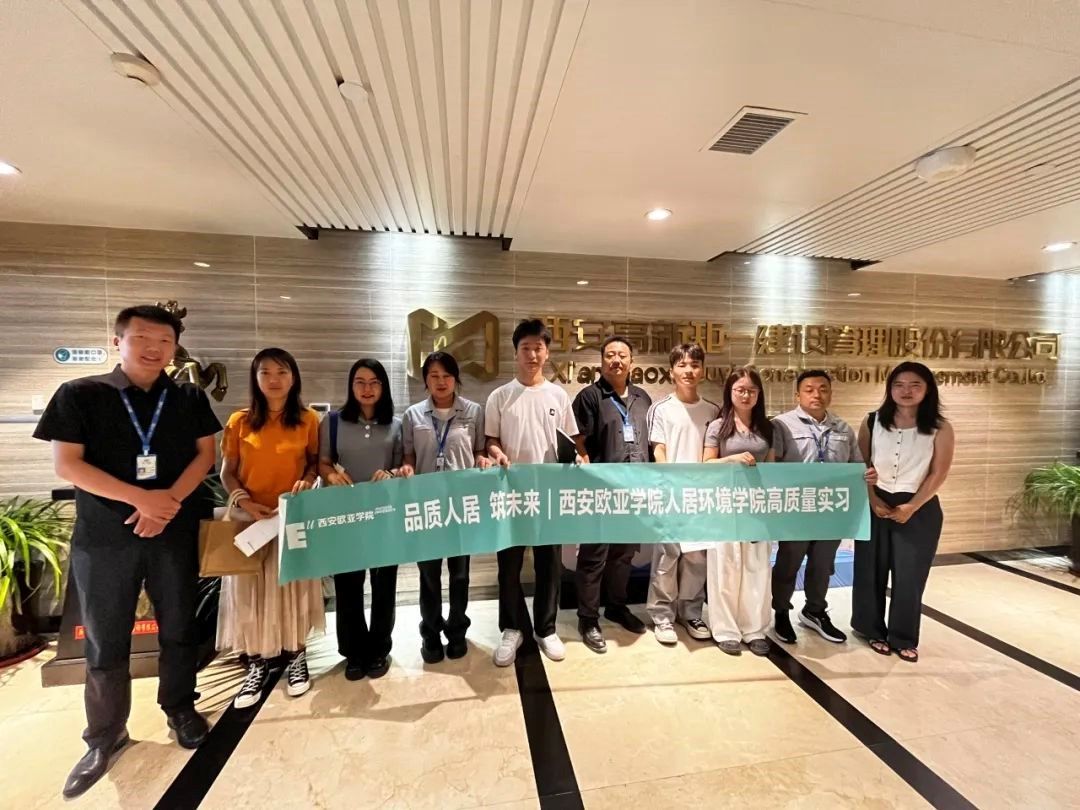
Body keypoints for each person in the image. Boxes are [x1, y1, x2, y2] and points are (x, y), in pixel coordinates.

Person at [34, 305, 220, 798]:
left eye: (164, 341)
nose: (154, 348)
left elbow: (206, 454)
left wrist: (168, 502)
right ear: (118, 341)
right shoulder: (80, 394)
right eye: (142, 338)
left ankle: (180, 708)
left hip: (173, 533)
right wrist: (142, 499)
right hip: (105, 540)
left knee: (179, 627)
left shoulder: (187, 397)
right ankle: (104, 735)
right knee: (105, 639)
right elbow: (68, 465)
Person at [219, 348, 324, 708]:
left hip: (290, 517)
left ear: (294, 377)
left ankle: (296, 656)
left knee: (294, 589)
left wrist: (307, 480)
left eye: (282, 372)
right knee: (251, 593)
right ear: (256, 379)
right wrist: (244, 502)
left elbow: (315, 463)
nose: (274, 380)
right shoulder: (240, 421)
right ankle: (257, 663)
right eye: (266, 373)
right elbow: (227, 471)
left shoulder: (308, 420)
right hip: (251, 520)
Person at [486, 319, 581, 666]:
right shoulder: (500, 396)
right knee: (508, 566)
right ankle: (511, 628)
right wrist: (496, 453)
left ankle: (546, 628)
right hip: (510, 494)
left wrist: (576, 457)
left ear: (547, 352)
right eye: (525, 348)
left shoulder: (558, 395)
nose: (532, 354)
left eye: (538, 348)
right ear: (515, 352)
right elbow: (491, 440)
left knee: (549, 565)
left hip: (549, 495)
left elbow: (571, 441)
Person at [317, 359, 413, 681]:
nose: (367, 388)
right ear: (351, 386)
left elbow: (403, 466)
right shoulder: (332, 422)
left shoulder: (396, 425)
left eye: (374, 382)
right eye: (360, 382)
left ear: (383, 387)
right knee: (348, 584)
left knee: (384, 584)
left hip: (384, 515)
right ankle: (353, 651)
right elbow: (323, 462)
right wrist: (330, 476)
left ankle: (379, 648)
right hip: (346, 515)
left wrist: (391, 473)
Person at [852, 362, 954, 663]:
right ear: (890, 389)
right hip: (875, 503)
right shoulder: (872, 421)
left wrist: (913, 505)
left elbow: (939, 472)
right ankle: (870, 629)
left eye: (915, 385)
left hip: (919, 508)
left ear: (928, 389)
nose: (906, 391)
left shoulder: (940, 426)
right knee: (870, 569)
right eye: (899, 384)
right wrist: (872, 499)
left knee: (910, 575)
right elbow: (861, 465)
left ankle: (903, 636)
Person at [401, 352, 492, 664]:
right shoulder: (413, 415)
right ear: (425, 380)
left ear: (456, 379)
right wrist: (407, 468)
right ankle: (430, 633)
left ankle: (457, 631)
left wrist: (482, 460)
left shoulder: (473, 411)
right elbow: (409, 456)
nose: (441, 382)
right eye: (434, 376)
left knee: (460, 575)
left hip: (460, 506)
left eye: (447, 376)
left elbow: (478, 451)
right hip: (426, 506)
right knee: (428, 575)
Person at [771, 369, 874, 645]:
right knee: (788, 563)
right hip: (796, 509)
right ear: (798, 394)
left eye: (823, 389)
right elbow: (772, 466)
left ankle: (814, 610)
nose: (816, 394)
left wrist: (867, 475)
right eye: (809, 389)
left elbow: (855, 467)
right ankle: (781, 611)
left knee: (822, 564)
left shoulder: (842, 428)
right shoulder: (781, 425)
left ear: (830, 393)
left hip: (829, 510)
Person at [571, 336, 651, 653]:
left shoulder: (643, 398)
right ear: (602, 361)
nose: (616, 360)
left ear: (631, 362)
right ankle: (588, 618)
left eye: (622, 355)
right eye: (610, 355)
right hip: (601, 491)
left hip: (634, 490)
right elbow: (578, 440)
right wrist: (586, 463)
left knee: (624, 554)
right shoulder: (589, 397)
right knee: (594, 556)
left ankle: (616, 607)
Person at [646, 343, 720, 645]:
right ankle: (662, 615)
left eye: (695, 365)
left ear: (702, 370)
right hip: (671, 495)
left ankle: (690, 612)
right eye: (682, 365)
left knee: (697, 557)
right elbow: (658, 450)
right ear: (671, 371)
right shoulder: (661, 409)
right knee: (668, 555)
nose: (689, 370)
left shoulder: (713, 410)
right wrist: (670, 488)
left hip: (702, 498)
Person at [703, 367, 775, 656]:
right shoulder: (717, 427)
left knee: (757, 569)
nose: (746, 395)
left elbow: (772, 468)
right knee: (725, 568)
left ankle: (754, 629)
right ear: (730, 393)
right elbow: (706, 464)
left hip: (757, 507)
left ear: (759, 394)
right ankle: (726, 630)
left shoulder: (769, 428)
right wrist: (731, 459)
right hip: (725, 505)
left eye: (751, 390)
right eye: (740, 390)